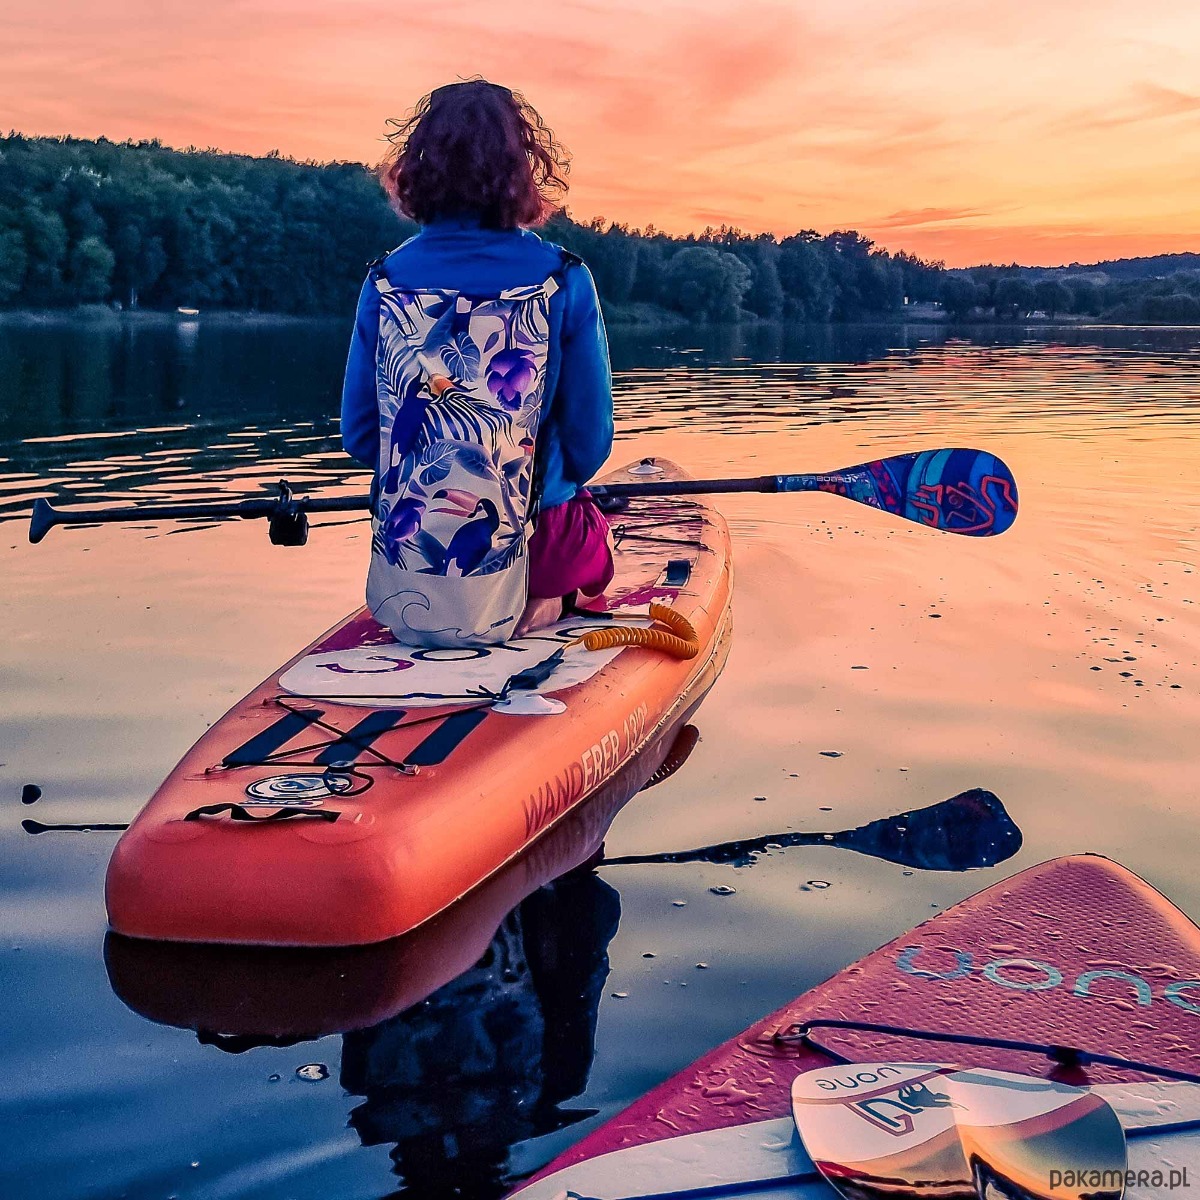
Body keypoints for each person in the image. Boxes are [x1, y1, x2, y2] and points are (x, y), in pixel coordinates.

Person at [341, 80, 615, 646]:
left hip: (411, 552)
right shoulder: (563, 278)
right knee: (595, 535)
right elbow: (591, 445)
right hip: (538, 542)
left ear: (418, 166)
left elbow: (362, 436)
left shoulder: (384, 279)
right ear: (523, 166)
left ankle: (454, 610)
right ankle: (550, 599)